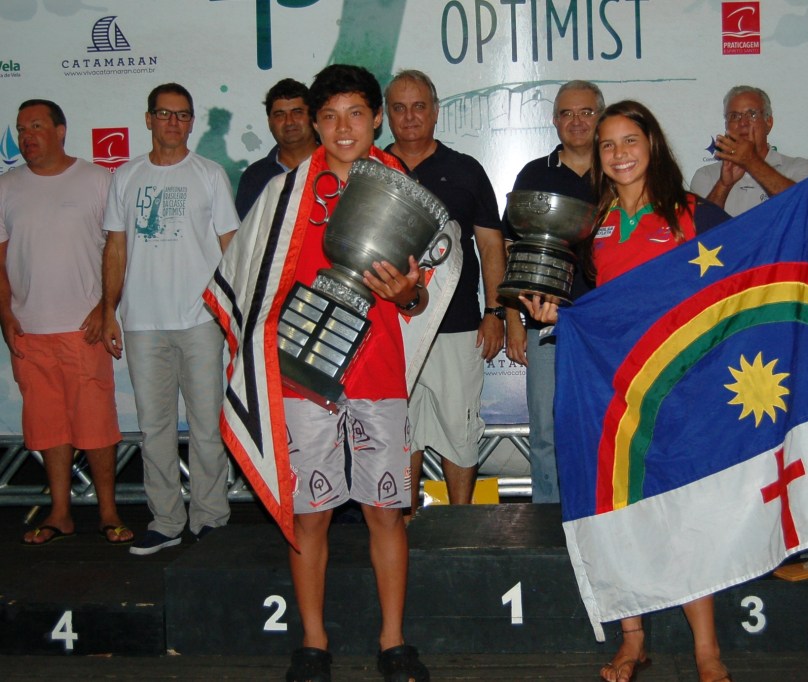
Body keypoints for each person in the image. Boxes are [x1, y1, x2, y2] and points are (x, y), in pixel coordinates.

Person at [212, 64, 431, 682]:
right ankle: (313, 641)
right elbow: (247, 287)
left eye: (356, 114)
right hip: (300, 378)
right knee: (309, 511)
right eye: (329, 115)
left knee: (385, 511)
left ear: (376, 119)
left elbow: (419, 302)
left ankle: (394, 642)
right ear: (312, 121)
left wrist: (408, 292)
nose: (342, 128)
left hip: (378, 374)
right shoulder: (283, 195)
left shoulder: (403, 190)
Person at [521, 100, 731, 682]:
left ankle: (707, 652)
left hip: (680, 385)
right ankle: (632, 639)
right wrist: (554, 313)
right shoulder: (593, 221)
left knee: (684, 514)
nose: (619, 153)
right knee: (620, 512)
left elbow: (745, 267)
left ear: (653, 144)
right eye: (608, 144)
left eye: (630, 140)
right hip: (615, 388)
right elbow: (588, 306)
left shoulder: (693, 214)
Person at [100, 83, 238, 555]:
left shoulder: (210, 175)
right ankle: (165, 520)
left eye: (182, 115)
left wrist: (236, 314)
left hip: (200, 320)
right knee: (155, 427)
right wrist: (108, 310)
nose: (173, 123)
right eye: (164, 114)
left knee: (205, 425)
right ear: (148, 119)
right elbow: (115, 247)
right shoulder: (126, 175)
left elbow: (229, 248)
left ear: (191, 122)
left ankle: (211, 516)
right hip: (141, 322)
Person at [0, 100, 131, 546]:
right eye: (20, 129)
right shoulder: (6, 187)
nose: (27, 135)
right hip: (29, 330)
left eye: (36, 126)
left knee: (95, 422)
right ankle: (60, 513)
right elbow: (0, 260)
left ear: (60, 130)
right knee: (48, 424)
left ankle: (108, 511)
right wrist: (4, 313)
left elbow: (116, 249)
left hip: (84, 327)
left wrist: (105, 307)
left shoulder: (97, 179)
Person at [384, 69, 505, 513]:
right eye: (399, 107)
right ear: (386, 115)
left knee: (460, 427)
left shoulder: (465, 170)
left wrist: (494, 311)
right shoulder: (375, 170)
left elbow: (491, 244)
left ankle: (460, 525)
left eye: (419, 106)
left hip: (456, 325)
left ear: (435, 112)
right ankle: (406, 522)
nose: (410, 116)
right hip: (392, 327)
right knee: (401, 429)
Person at [503, 80, 603, 503]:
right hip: (543, 319)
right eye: (566, 113)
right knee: (545, 427)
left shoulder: (621, 168)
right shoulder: (535, 174)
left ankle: (603, 514)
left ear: (600, 116)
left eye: (585, 112)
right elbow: (510, 248)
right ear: (554, 121)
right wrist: (511, 318)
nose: (576, 121)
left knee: (605, 421)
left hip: (605, 320)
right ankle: (548, 521)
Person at [690, 85, 808, 216]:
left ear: (768, 122)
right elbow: (700, 229)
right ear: (726, 125)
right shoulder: (706, 175)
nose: (743, 123)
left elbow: (803, 209)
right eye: (734, 116)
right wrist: (723, 185)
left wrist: (751, 162)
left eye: (752, 114)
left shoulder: (800, 168)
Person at [235, 78, 319, 221]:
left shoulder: (336, 164)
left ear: (312, 117)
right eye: (279, 114)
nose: (289, 121)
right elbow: (244, 238)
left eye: (297, 112)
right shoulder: (254, 177)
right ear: (270, 122)